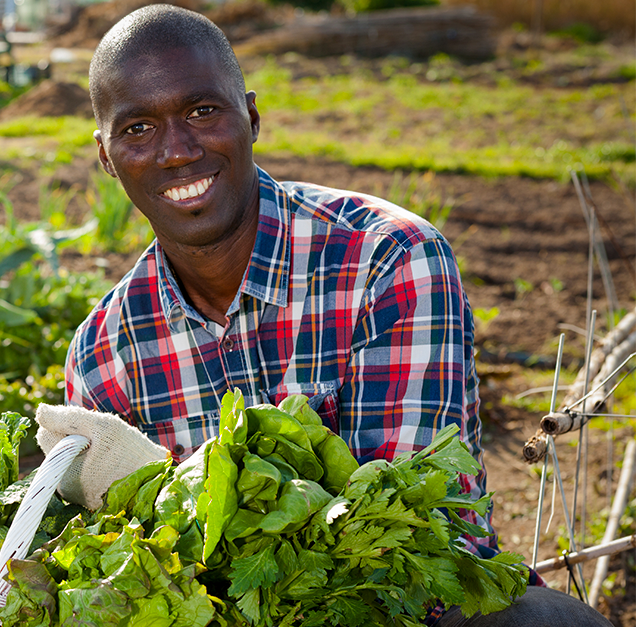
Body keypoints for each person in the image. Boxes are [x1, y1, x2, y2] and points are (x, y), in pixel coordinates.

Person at [47, 4, 612, 626]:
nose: (177, 151)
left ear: (251, 117)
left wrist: (181, 511)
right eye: (138, 128)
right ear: (105, 156)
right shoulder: (104, 354)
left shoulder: (387, 260)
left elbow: (409, 535)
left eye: (203, 111)